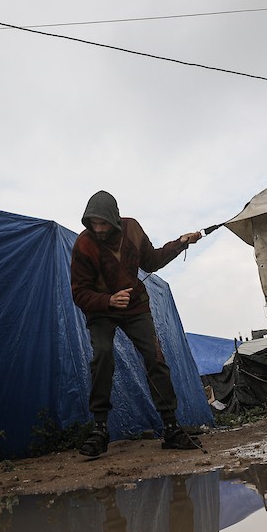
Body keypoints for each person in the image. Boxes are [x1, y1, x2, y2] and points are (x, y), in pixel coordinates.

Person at [70, 190, 203, 458]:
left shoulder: (132, 229)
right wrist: (108, 300)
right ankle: (99, 430)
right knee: (103, 355)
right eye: (93, 223)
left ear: (115, 219)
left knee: (155, 358)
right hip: (101, 311)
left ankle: (171, 428)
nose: (98, 229)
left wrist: (180, 243)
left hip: (135, 306)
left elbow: (152, 260)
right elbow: (79, 293)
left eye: (103, 223)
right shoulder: (83, 245)